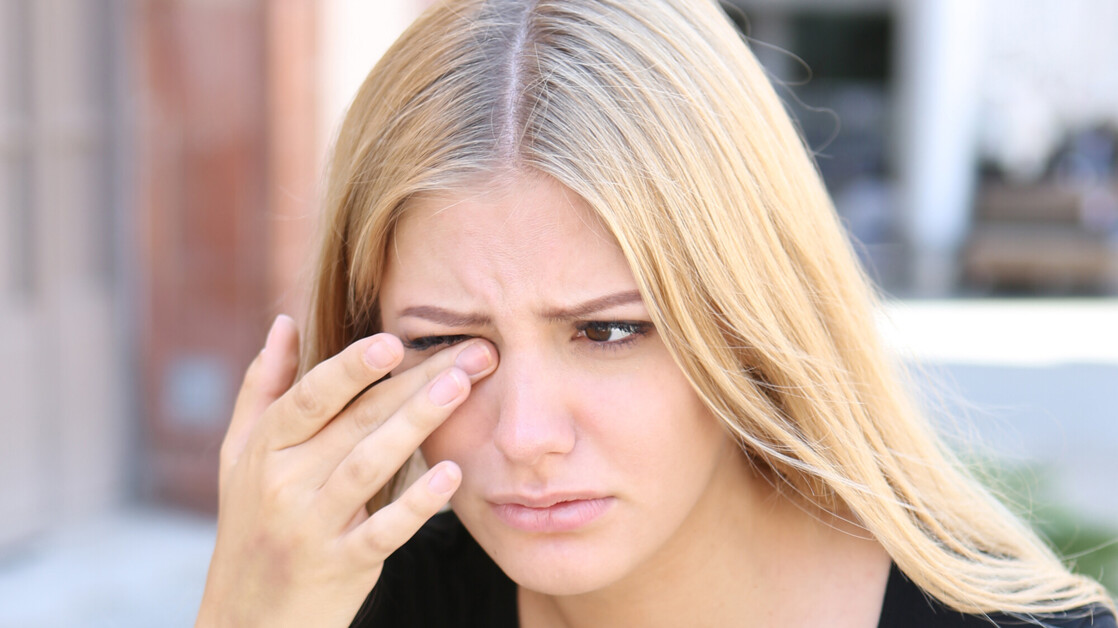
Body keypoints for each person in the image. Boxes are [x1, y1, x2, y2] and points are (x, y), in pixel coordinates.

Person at [196, 0, 1118, 626]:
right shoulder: (356, 604)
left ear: (751, 318)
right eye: (445, 342)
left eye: (607, 330)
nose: (526, 435)